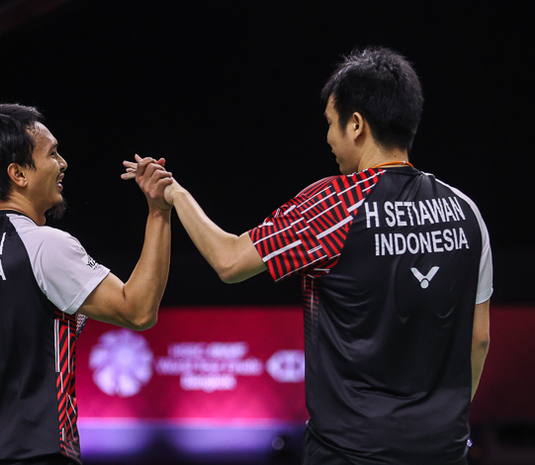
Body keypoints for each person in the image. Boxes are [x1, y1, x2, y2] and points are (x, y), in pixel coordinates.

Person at [124, 47, 492, 464]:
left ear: (356, 125)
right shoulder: (465, 211)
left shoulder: (335, 202)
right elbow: (478, 339)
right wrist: (446, 428)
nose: (329, 139)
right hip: (442, 450)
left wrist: (173, 193)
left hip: (349, 452)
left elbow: (230, 261)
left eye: (331, 125)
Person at [0, 103, 173, 465]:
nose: (63, 163)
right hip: (39, 449)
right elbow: (137, 309)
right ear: (19, 174)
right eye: (52, 153)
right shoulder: (43, 243)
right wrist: (158, 213)